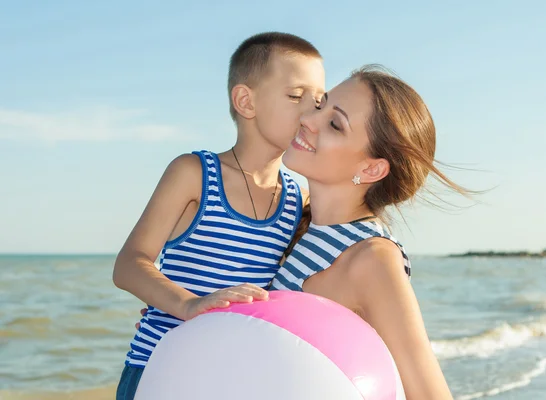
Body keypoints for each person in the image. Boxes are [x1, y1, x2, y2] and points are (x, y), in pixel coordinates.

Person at [112, 32, 325, 400]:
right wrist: (187, 304)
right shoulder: (194, 173)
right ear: (246, 101)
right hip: (161, 370)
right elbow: (129, 264)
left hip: (234, 381)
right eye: (295, 96)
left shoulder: (298, 200)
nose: (312, 112)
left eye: (320, 101)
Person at [270, 65, 460, 400]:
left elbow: (430, 393)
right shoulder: (291, 218)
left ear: (371, 168)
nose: (308, 120)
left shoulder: (374, 259)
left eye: (334, 124)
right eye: (319, 105)